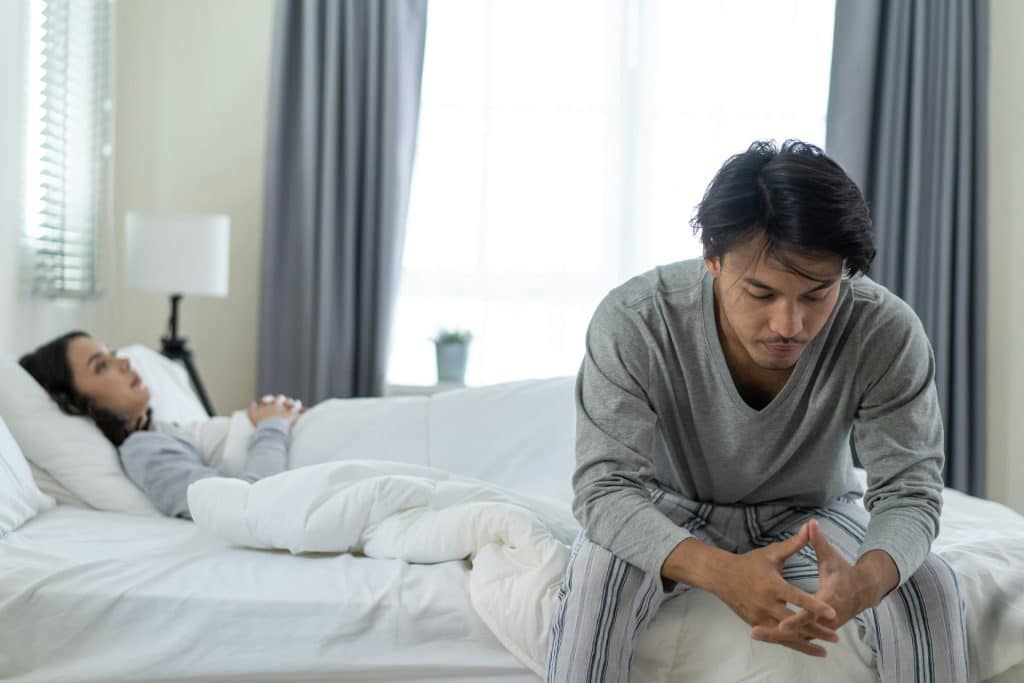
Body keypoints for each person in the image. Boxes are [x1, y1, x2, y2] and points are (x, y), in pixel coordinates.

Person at [546, 140, 968, 682]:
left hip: (815, 512)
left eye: (817, 294)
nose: (789, 324)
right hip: (670, 504)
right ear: (713, 260)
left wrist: (866, 580)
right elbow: (604, 490)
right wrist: (721, 573)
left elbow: (910, 491)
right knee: (595, 573)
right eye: (761, 293)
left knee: (928, 584)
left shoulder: (884, 329)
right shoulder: (636, 320)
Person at [19, 331, 303, 519]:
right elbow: (246, 506)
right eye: (100, 366)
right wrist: (273, 425)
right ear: (75, 403)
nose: (125, 362)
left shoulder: (160, 430)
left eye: (113, 353)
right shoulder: (144, 451)